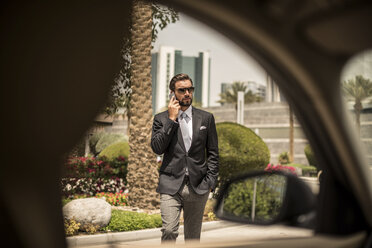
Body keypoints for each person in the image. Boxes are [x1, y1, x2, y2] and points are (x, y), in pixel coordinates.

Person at [151, 73, 219, 243]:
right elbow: (157, 148)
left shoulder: (206, 118)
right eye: (182, 90)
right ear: (172, 93)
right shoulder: (161, 119)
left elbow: (213, 152)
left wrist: (210, 181)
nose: (187, 93)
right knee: (168, 231)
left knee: (192, 238)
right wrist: (172, 119)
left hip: (198, 186)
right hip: (170, 184)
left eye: (190, 89)